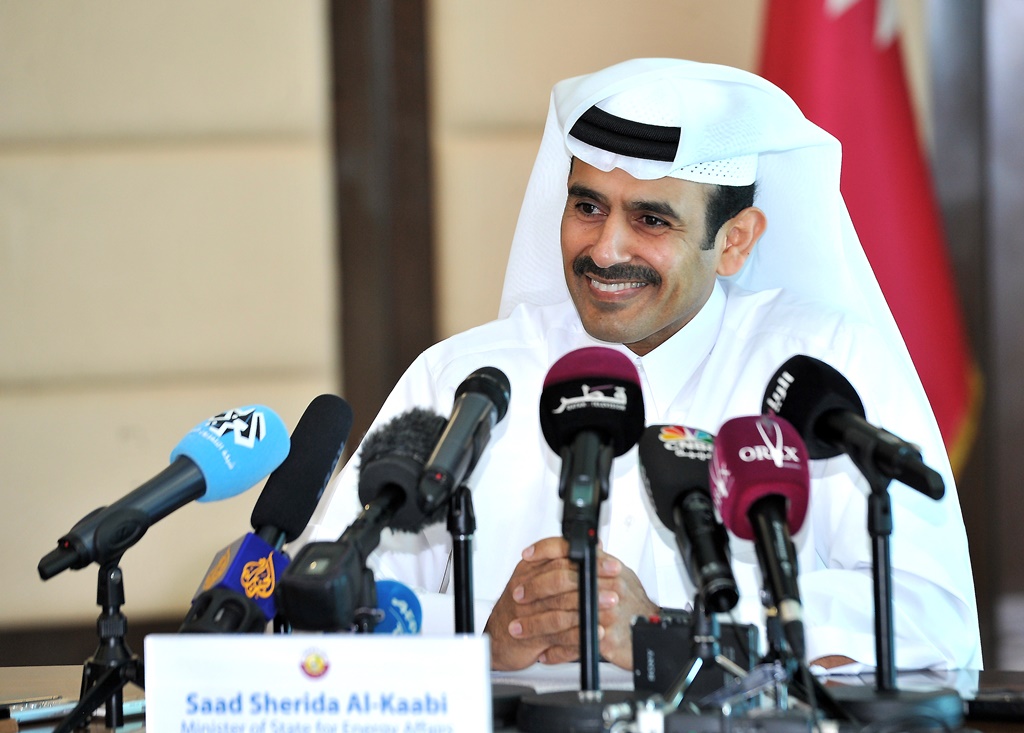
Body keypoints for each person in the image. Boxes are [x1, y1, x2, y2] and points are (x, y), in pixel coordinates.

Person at [300, 58, 982, 674]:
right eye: (587, 207)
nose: (605, 250)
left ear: (734, 241)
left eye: (651, 220)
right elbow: (323, 596)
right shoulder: (468, 381)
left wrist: (671, 631)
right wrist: (483, 636)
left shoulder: (819, 374)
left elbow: (927, 613)